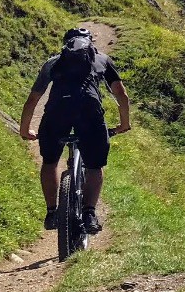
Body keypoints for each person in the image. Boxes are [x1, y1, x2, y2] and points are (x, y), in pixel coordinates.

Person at [19, 27, 131, 234]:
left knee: (50, 161)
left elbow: (33, 98)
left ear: (65, 44)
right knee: (94, 167)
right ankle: (89, 214)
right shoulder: (102, 59)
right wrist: (124, 123)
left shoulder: (53, 63)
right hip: (90, 114)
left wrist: (25, 129)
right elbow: (121, 95)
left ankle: (52, 212)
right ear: (91, 43)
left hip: (56, 113)